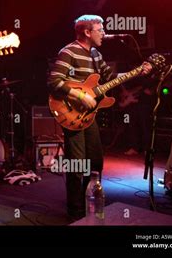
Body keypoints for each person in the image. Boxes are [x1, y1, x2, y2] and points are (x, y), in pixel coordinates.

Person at [47, 15, 152, 220]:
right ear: (87, 32)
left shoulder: (96, 54)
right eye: (100, 28)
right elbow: (54, 82)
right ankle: (75, 213)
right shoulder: (68, 51)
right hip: (72, 113)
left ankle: (90, 203)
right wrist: (79, 94)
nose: (104, 32)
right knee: (77, 164)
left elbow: (110, 79)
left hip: (89, 115)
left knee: (95, 160)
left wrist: (138, 72)